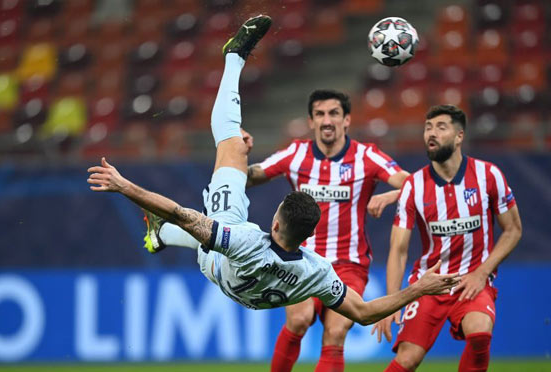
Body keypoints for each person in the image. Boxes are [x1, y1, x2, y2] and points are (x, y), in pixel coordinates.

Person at [87, 13, 460, 338]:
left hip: (223, 262)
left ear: (276, 224)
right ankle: (160, 237)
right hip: (247, 293)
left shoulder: (245, 240)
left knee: (229, 145)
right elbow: (364, 313)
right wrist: (420, 288)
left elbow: (179, 212)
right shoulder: (317, 271)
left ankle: (234, 57)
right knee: (196, 215)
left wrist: (124, 186)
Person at [151, 75, 410, 372]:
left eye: (334, 114)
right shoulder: (296, 153)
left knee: (336, 333)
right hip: (301, 260)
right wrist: (239, 154)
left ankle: (166, 232)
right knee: (298, 321)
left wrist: (390, 196)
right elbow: (252, 175)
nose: (327, 120)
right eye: (320, 114)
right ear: (311, 121)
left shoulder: (367, 157)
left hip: (349, 263)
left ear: (347, 120)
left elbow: (414, 183)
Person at [371, 105, 523, 372]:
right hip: (429, 284)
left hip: (473, 279)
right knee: (407, 359)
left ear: (459, 136)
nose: (432, 133)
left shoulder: (489, 175)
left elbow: (513, 230)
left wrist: (482, 272)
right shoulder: (414, 186)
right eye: (428, 128)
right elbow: (398, 249)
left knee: (480, 333)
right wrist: (392, 299)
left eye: (441, 127)